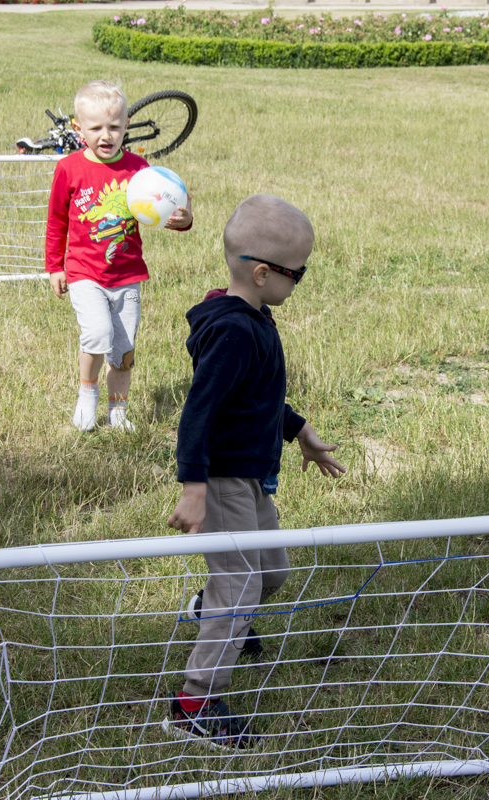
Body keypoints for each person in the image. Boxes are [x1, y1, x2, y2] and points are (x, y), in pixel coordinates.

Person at [165, 194, 346, 749]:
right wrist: (194, 488)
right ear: (263, 273)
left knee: (271, 573)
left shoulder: (255, 319)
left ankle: (210, 609)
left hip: (252, 476)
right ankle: (194, 705)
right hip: (222, 480)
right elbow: (199, 412)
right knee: (241, 584)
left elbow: (255, 397)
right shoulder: (234, 332)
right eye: (299, 273)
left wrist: (300, 431)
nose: (302, 281)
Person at [45, 80, 192, 432]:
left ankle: (118, 411)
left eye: (114, 126)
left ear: (127, 125)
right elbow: (57, 220)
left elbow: (167, 208)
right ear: (79, 128)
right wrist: (54, 266)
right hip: (85, 273)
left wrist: (184, 219)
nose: (106, 135)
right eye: (96, 128)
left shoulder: (139, 169)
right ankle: (87, 393)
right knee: (97, 334)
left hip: (127, 276)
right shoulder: (69, 169)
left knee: (124, 351)